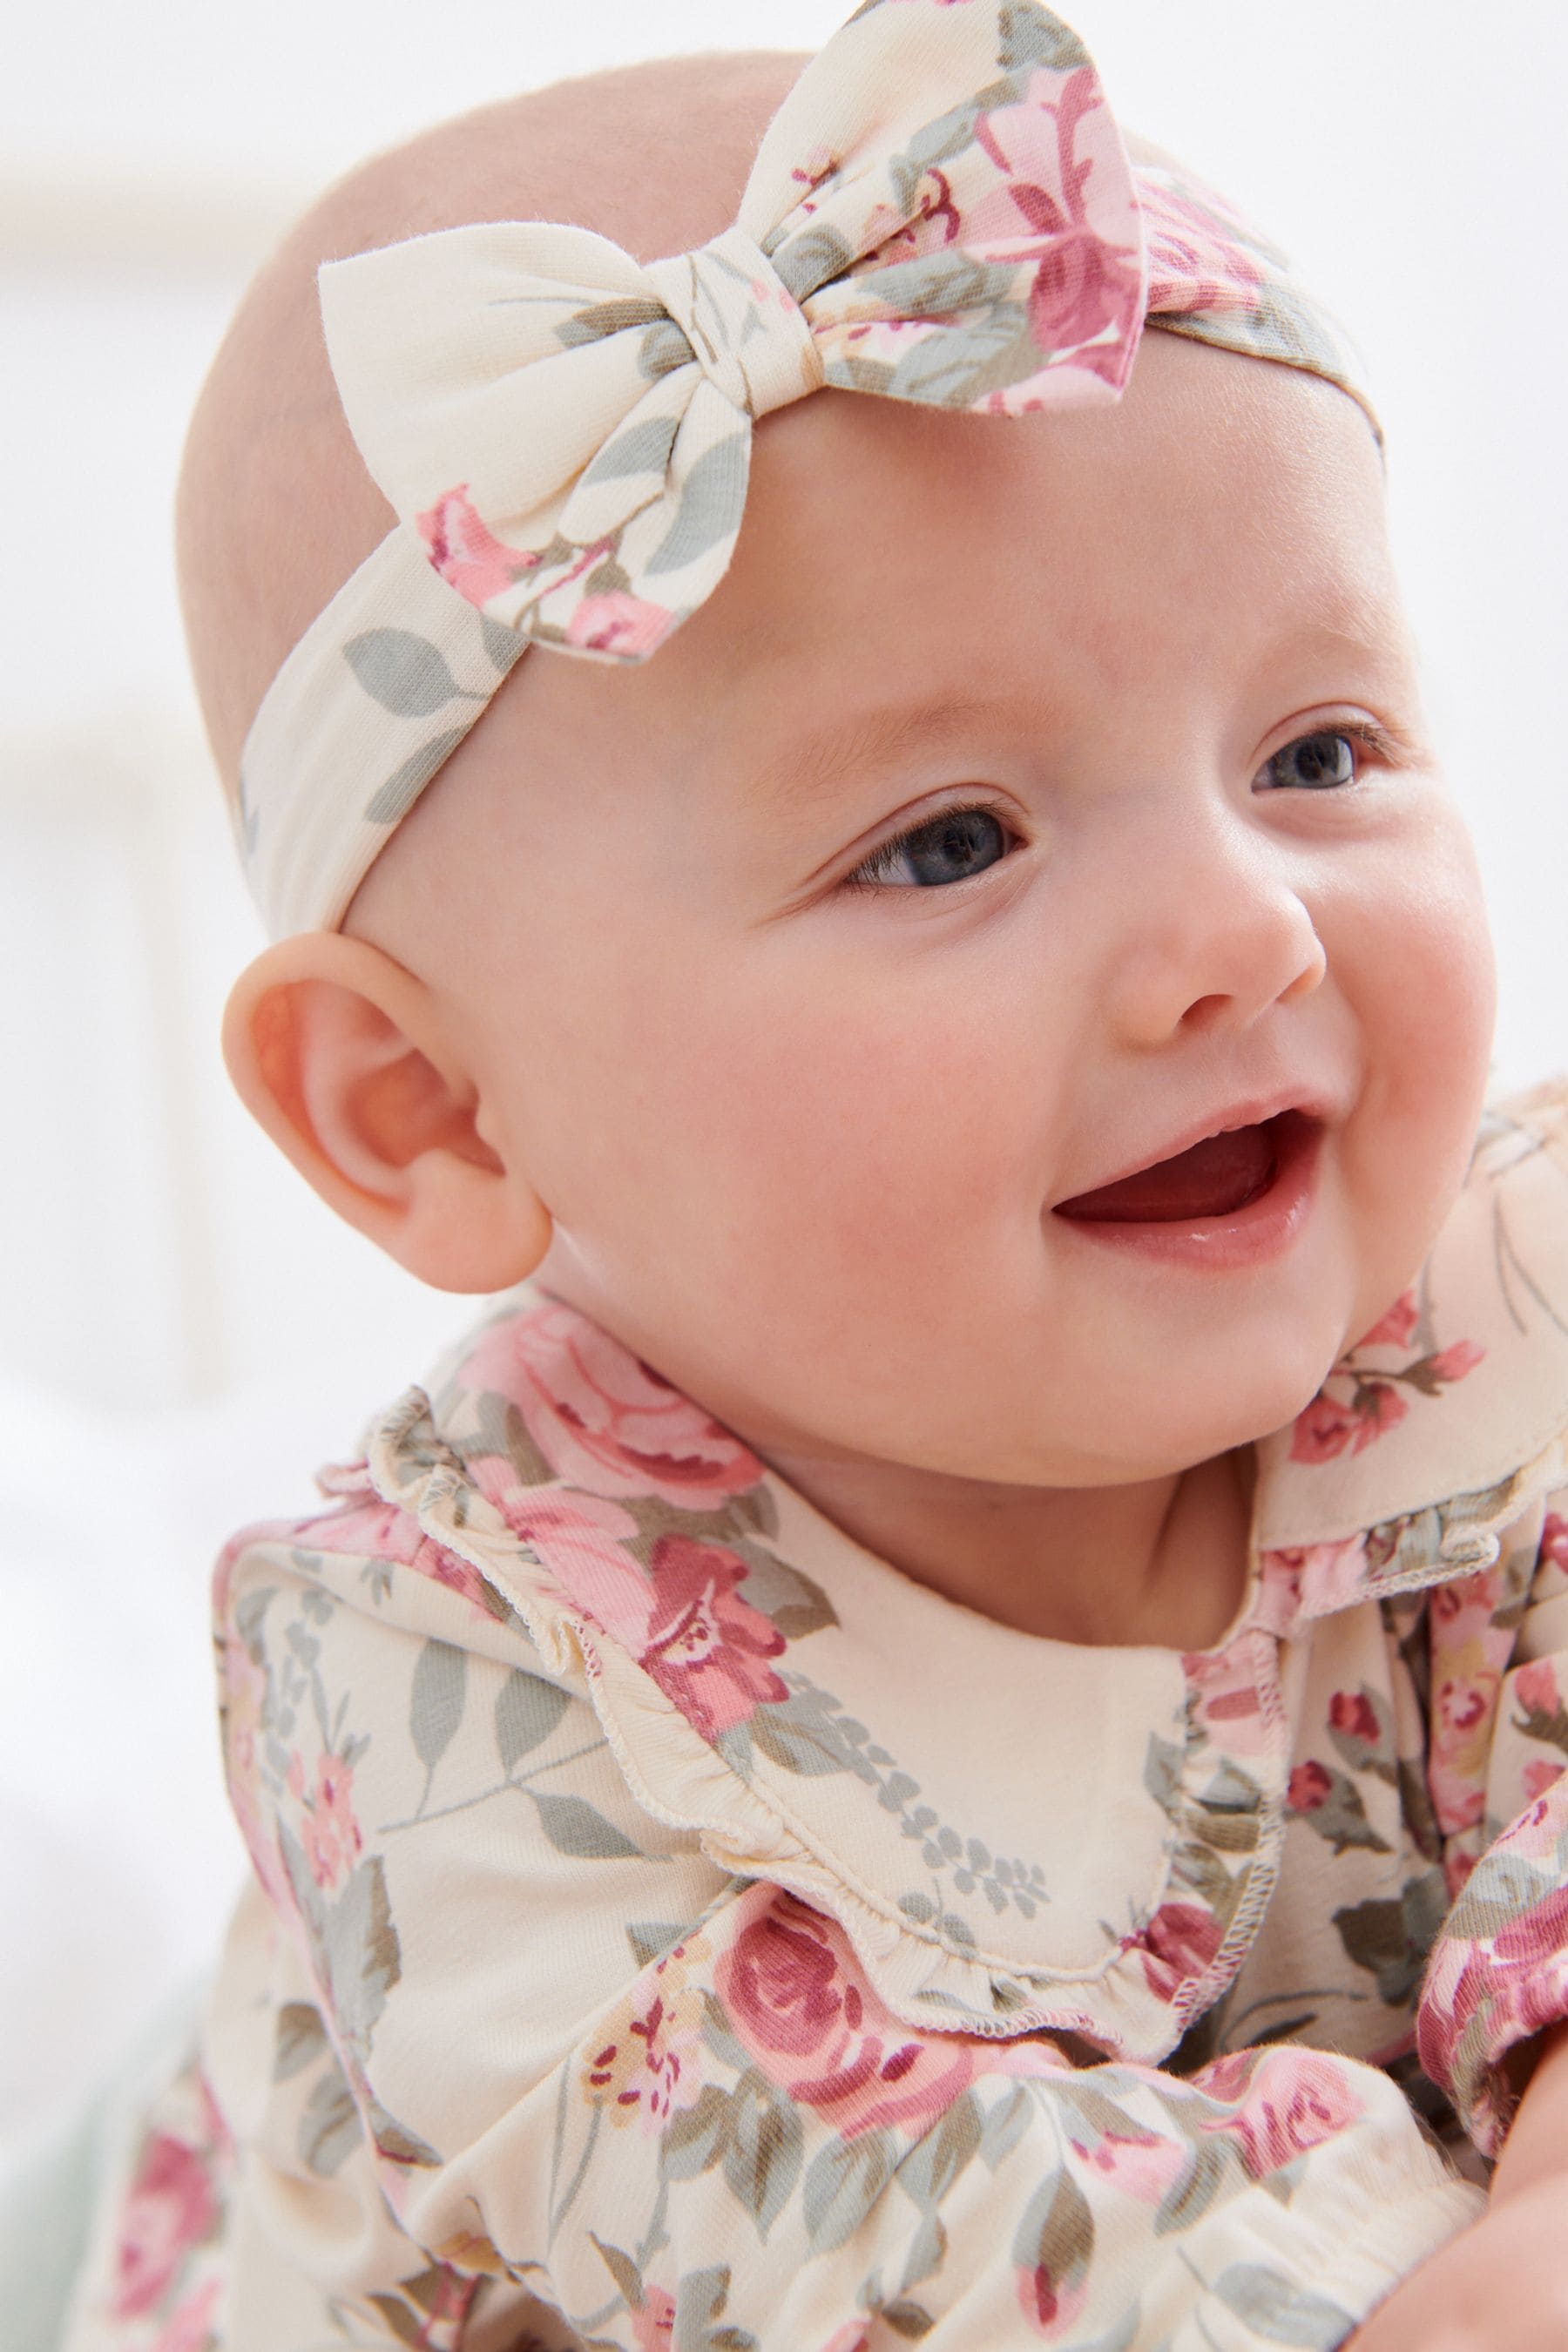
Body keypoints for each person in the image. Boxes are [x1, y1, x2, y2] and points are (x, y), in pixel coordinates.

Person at [57, 3, 1568, 2344]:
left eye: (1321, 744)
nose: (1245, 927)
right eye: (948, 837)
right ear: (432, 1111)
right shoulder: (463, 1715)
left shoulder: (1508, 1308)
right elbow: (951, 2252)